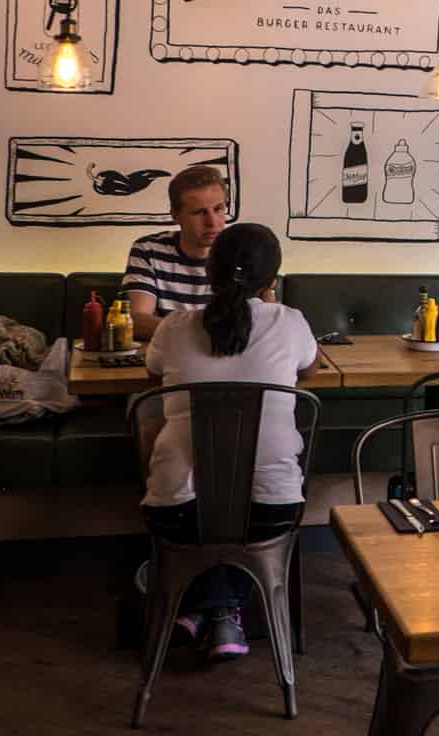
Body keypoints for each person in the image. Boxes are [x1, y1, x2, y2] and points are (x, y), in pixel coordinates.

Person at [140, 222, 318, 662]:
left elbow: (152, 370)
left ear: (209, 271)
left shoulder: (174, 328)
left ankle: (193, 608)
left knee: (196, 495)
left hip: (177, 513)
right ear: (271, 280)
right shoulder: (291, 323)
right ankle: (223, 612)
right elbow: (309, 368)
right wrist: (269, 303)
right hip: (272, 511)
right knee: (241, 510)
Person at [122, 165, 231, 341]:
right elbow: (137, 321)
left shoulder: (239, 251)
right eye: (199, 212)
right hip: (166, 361)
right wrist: (207, 334)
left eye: (218, 209)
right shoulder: (148, 250)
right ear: (175, 215)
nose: (212, 222)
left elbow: (268, 324)